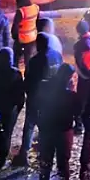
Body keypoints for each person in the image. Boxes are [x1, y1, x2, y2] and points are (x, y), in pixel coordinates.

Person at [15, 32, 63, 166]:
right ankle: (44, 155)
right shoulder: (57, 56)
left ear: (39, 44)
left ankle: (23, 155)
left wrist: (27, 92)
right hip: (51, 97)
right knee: (45, 126)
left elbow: (31, 79)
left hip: (37, 97)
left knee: (29, 125)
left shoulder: (37, 60)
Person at [37, 63, 81, 180]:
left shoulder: (44, 87)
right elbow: (77, 113)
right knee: (63, 164)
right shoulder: (71, 95)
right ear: (69, 77)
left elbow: (35, 105)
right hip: (63, 132)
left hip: (47, 130)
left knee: (45, 163)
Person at [0, 48, 24, 169]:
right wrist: (17, 109)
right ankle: (1, 161)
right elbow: (20, 95)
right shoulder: (16, 74)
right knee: (6, 134)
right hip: (8, 110)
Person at [11, 0, 40, 67]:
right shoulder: (36, 8)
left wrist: (15, 37)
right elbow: (37, 22)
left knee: (16, 59)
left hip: (22, 39)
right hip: (33, 38)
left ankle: (15, 75)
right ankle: (28, 76)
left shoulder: (21, 11)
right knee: (28, 61)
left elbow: (15, 26)